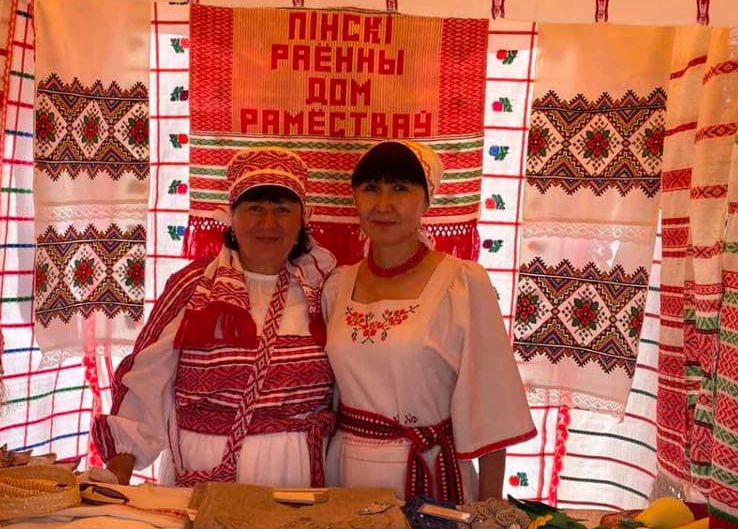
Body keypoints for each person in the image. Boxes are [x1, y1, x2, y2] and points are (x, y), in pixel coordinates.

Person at [93, 147, 335, 487]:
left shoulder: (323, 288)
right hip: (205, 472)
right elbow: (147, 376)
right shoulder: (194, 287)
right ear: (231, 216)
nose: (269, 223)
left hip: (295, 474)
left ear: (302, 219)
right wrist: (119, 469)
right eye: (254, 208)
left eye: (282, 209)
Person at [324, 140, 535, 504]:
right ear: (355, 197)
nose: (383, 205)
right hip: (346, 475)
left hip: (430, 470)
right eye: (371, 188)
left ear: (426, 200)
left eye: (400, 188)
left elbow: (492, 401)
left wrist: (489, 510)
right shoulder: (337, 286)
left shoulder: (461, 283)